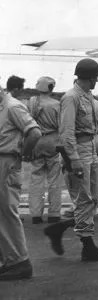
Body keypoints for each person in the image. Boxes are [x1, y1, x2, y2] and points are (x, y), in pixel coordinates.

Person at [43, 59, 98, 262]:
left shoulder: (88, 97)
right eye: (95, 77)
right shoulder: (71, 98)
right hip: (78, 152)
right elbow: (66, 133)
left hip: (89, 149)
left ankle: (59, 229)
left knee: (92, 199)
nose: (96, 80)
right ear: (88, 77)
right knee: (83, 199)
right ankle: (87, 247)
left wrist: (94, 134)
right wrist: (73, 159)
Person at [0, 82, 41, 280]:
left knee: (7, 212)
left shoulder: (12, 106)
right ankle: (9, 260)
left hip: (7, 162)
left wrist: (23, 156)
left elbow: (34, 132)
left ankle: (20, 262)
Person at [26, 76, 63, 225]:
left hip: (36, 141)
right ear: (51, 87)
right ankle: (54, 213)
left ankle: (36, 214)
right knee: (54, 179)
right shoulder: (56, 104)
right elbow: (62, 126)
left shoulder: (31, 103)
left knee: (36, 179)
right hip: (52, 141)